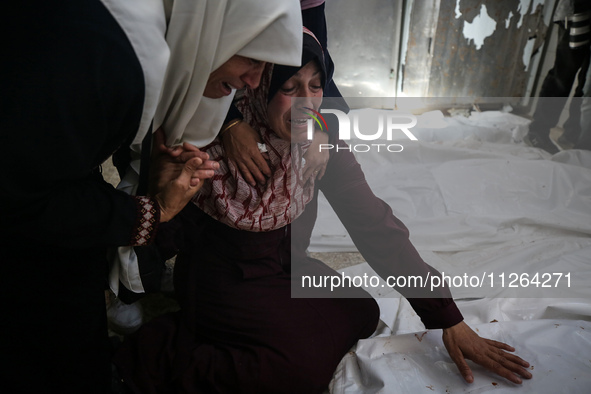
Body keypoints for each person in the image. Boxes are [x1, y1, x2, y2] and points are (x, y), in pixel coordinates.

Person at [112, 29, 532, 393]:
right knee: (296, 371)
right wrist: (160, 192)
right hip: (225, 282)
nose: (305, 104)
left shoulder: (319, 145)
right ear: (257, 87)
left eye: (315, 87)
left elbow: (376, 227)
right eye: (290, 87)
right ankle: (154, 354)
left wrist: (447, 318)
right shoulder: (213, 150)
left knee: (362, 312)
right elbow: (166, 234)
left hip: (291, 268)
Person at [0, 1, 302, 393]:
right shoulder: (111, 59)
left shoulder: (132, 28)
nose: (254, 81)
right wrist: (149, 211)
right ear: (215, 28)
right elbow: (26, 195)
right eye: (251, 57)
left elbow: (57, 163)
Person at [524, 0, 591, 154]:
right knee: (563, 74)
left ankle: (572, 132)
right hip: (575, 11)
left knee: (586, 83)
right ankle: (538, 131)